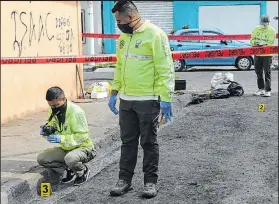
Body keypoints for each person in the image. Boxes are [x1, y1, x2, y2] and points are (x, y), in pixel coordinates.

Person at [108, 0, 175, 198]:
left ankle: (150, 183)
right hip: (127, 100)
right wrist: (114, 92)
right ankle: (124, 181)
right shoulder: (123, 37)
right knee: (127, 142)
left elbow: (165, 68)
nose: (118, 24)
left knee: (148, 142)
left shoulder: (155, 34)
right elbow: (120, 66)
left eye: (119, 20)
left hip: (148, 99)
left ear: (130, 17)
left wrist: (166, 97)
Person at [37, 86, 96, 186]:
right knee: (42, 159)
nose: (54, 108)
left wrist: (61, 138)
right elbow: (53, 126)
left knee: (70, 158)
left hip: (83, 148)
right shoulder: (52, 110)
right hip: (67, 148)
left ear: (64, 99)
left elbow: (83, 136)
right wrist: (46, 131)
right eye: (51, 106)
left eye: (57, 105)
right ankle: (70, 169)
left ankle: (82, 171)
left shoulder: (76, 112)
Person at [250, 15, 276, 97]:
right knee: (258, 72)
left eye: (266, 23)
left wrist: (264, 45)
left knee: (267, 72)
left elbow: (271, 42)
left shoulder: (272, 30)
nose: (264, 25)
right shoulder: (256, 28)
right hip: (257, 53)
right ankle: (261, 89)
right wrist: (255, 43)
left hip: (267, 54)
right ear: (260, 22)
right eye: (263, 23)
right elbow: (252, 39)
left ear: (268, 23)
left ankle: (267, 90)